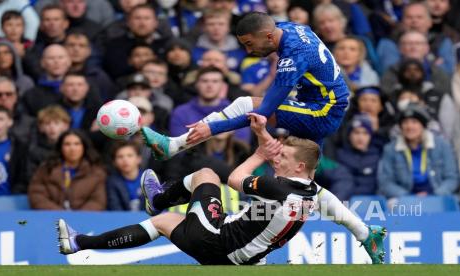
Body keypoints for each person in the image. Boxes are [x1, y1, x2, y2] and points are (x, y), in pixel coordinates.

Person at [57, 113, 386, 264]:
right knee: (161, 225)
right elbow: (338, 211)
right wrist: (362, 232)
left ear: (298, 167)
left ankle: (158, 197)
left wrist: (258, 152)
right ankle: (78, 241)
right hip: (236, 255)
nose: (276, 158)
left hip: (217, 241)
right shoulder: (312, 192)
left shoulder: (277, 186)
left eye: (282, 156)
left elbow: (234, 179)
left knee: (206, 174)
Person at [141, 12, 349, 161]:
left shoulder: (295, 56)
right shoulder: (291, 28)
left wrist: (211, 128)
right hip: (319, 103)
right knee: (300, 179)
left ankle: (174, 144)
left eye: (250, 44)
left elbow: (262, 113)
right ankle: (359, 225)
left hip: (323, 112)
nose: (249, 51)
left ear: (269, 37)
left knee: (245, 103)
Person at [378, 103, 459, 198]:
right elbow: (386, 182)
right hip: (404, 198)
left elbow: (452, 178)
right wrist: (408, 197)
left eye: (414, 122)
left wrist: (436, 195)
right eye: (405, 122)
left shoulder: (442, 145)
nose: (409, 127)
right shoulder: (391, 149)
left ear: (423, 126)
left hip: (438, 197)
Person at [28, 129, 106, 210]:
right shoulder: (46, 169)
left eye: (77, 144)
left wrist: (78, 218)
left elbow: (97, 201)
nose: (72, 148)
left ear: (84, 147)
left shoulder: (96, 173)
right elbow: (37, 195)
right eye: (67, 144)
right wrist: (60, 215)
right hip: (52, 219)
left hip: (84, 220)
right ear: (61, 147)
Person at [0, 105, 26, 195]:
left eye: (0, 119)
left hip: (11, 201)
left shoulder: (20, 147)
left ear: (10, 122)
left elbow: (23, 176)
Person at [106, 140, 145, 211]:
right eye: (120, 157)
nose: (125, 160)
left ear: (139, 159)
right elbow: (115, 208)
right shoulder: (111, 182)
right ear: (114, 162)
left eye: (130, 155)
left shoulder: (150, 179)